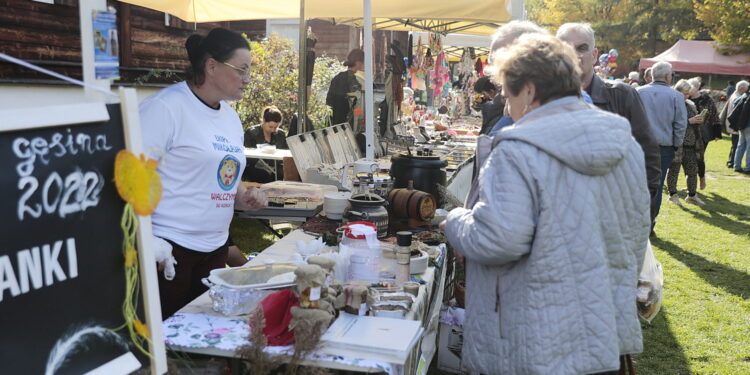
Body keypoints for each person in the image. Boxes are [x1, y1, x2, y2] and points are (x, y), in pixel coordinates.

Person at [442, 34, 650, 375]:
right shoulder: (625, 146)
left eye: (508, 95)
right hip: (600, 333)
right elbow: (636, 234)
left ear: (528, 89)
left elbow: (498, 240)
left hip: (532, 341)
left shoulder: (517, 151)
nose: (507, 108)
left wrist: (454, 220)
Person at [139, 28, 266, 319]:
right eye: (242, 70)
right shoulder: (166, 108)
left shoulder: (230, 117)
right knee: (163, 346)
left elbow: (223, 179)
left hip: (215, 249)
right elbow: (132, 178)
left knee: (203, 339)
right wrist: (146, 240)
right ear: (211, 66)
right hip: (169, 252)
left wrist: (245, 196)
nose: (248, 79)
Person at [557, 23, 662, 227]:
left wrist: (638, 213)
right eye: (566, 48)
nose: (575, 55)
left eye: (582, 48)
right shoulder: (541, 100)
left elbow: (648, 156)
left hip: (612, 220)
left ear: (594, 55)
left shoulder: (622, 96)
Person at [637, 61, 687, 231]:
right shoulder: (676, 96)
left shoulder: (638, 92)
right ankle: (649, 224)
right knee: (656, 185)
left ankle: (637, 223)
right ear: (667, 76)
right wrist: (676, 145)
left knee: (638, 183)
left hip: (640, 144)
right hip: (663, 147)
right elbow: (681, 124)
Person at [666, 79, 705, 206]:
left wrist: (698, 120)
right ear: (677, 91)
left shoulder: (690, 105)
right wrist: (690, 121)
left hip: (691, 144)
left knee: (692, 171)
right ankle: (673, 195)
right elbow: (669, 124)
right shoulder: (670, 104)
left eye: (688, 93)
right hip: (677, 144)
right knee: (674, 171)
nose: (687, 96)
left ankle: (692, 195)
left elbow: (692, 123)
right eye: (685, 93)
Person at [243, 106, 288, 182]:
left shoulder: (280, 134)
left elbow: (285, 152)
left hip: (276, 168)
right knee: (264, 175)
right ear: (264, 121)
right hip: (256, 168)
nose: (273, 130)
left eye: (275, 127)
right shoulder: (252, 133)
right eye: (270, 127)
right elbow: (248, 157)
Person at [326, 49, 364, 128]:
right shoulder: (357, 80)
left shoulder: (337, 77)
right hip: (349, 124)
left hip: (335, 124)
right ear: (358, 63)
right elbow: (357, 106)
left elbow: (329, 102)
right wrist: (361, 114)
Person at [719, 80, 749, 168]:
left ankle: (732, 162)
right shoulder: (738, 97)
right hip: (736, 125)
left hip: (734, 125)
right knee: (736, 145)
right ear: (742, 88)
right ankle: (732, 162)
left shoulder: (734, 96)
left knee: (735, 145)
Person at [728, 88, 750, 173]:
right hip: (748, 125)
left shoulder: (745, 95)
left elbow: (735, 103)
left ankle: (736, 166)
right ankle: (748, 167)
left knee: (740, 146)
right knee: (749, 147)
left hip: (741, 124)